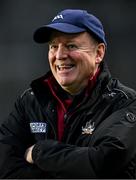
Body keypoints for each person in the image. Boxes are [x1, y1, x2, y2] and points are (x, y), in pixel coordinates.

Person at [0, 8, 136, 179]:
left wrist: (38, 152)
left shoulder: (126, 103)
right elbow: (6, 166)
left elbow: (103, 162)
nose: (59, 55)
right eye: (53, 46)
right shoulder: (29, 101)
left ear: (99, 53)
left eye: (71, 46)